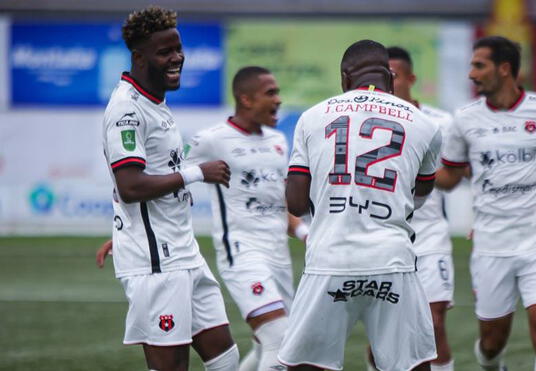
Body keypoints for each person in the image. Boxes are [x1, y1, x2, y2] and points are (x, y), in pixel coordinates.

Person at [436, 36, 536, 371]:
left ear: (505, 68)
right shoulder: (464, 119)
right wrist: (407, 175)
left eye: (479, 65)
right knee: (493, 342)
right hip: (491, 244)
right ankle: (492, 365)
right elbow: (450, 177)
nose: (471, 74)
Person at [278, 39, 443, 371]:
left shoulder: (312, 118)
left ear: (345, 77)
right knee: (410, 366)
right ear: (390, 75)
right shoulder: (426, 124)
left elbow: (295, 203)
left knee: (307, 366)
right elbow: (419, 196)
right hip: (392, 259)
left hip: (330, 258)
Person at [101, 6, 239, 371]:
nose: (177, 57)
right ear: (139, 57)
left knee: (225, 358)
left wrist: (122, 229)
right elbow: (130, 185)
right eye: (165, 52)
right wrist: (198, 173)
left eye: (178, 48)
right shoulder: (126, 110)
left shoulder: (155, 102)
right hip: (157, 263)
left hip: (182, 251)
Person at [183, 66, 308, 371]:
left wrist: (305, 232)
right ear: (246, 99)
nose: (278, 99)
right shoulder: (211, 140)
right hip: (241, 253)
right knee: (279, 341)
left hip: (278, 257)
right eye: (271, 93)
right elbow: (169, 177)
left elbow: (281, 201)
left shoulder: (278, 140)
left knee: (273, 343)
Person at [385, 46, 457, 371]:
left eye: (394, 76)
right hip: (386, 237)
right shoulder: (372, 121)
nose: (388, 83)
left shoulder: (440, 121)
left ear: (411, 78)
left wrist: (420, 170)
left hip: (430, 236)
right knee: (386, 331)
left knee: (434, 321)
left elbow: (453, 177)